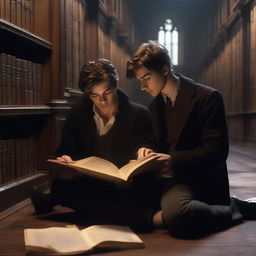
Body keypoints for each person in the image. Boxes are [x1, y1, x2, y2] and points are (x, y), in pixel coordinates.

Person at [126, 41, 256, 237]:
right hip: (163, 179)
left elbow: (217, 151)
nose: (143, 86)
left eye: (146, 78)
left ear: (164, 70)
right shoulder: (155, 106)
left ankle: (233, 208)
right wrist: (145, 151)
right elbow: (155, 143)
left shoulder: (208, 97)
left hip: (193, 179)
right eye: (140, 80)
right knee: (114, 197)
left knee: (178, 213)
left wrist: (172, 160)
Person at [31, 59, 162, 231]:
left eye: (107, 92)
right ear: (87, 94)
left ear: (115, 86)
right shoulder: (78, 112)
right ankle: (134, 218)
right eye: (94, 95)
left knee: (137, 195)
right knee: (62, 186)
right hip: (89, 182)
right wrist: (66, 162)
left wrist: (143, 156)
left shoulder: (139, 114)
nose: (102, 100)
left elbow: (149, 148)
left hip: (124, 187)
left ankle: (135, 218)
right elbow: (65, 149)